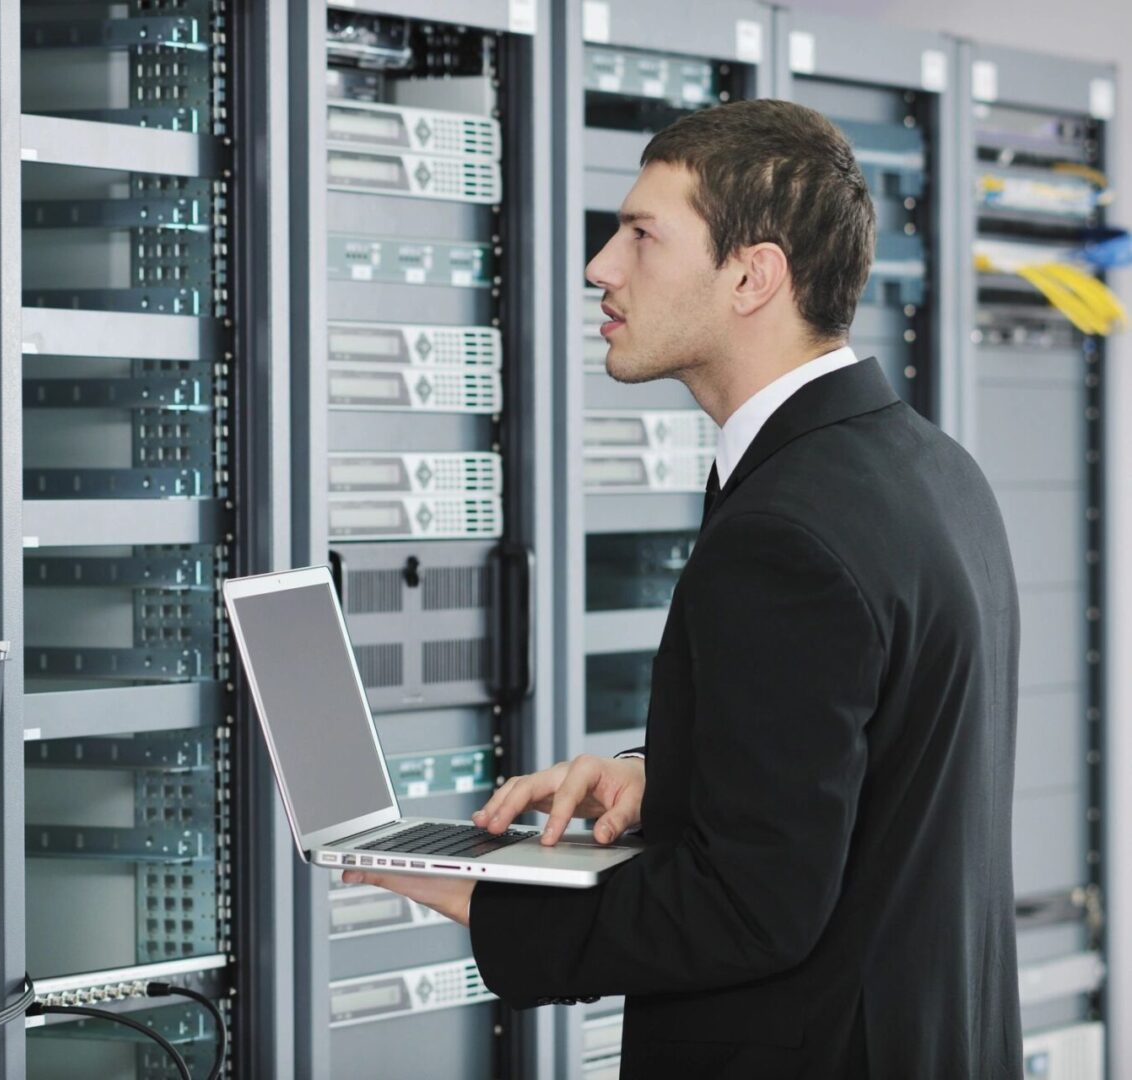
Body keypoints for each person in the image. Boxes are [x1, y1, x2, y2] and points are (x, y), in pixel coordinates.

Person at [341, 98, 1022, 1078]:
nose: (599, 267)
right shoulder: (929, 468)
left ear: (753, 275)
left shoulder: (785, 531)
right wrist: (675, 777)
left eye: (641, 236)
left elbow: (754, 911)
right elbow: (880, 780)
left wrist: (493, 898)